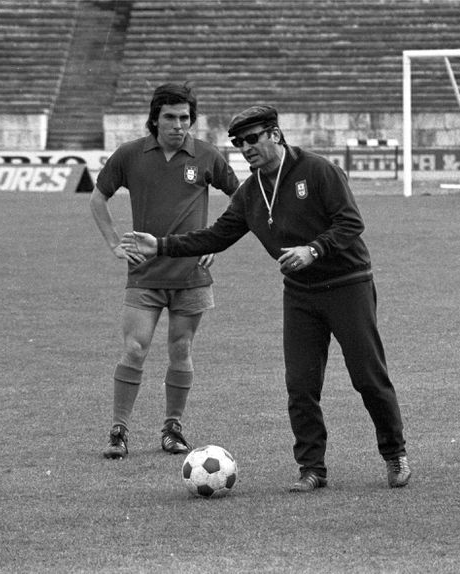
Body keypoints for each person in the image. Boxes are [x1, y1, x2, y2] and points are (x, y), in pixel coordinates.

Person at [121, 105, 412, 491]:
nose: (246, 148)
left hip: (348, 285)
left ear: (275, 134)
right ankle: (312, 469)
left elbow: (351, 222)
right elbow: (216, 236)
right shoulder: (250, 192)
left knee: (368, 378)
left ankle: (395, 455)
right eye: (240, 143)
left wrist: (313, 250)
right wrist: (160, 245)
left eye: (253, 138)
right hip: (301, 294)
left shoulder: (318, 170)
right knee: (300, 385)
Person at [91, 83, 239, 460]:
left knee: (181, 348)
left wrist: (216, 244)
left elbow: (243, 202)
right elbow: (98, 197)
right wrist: (113, 243)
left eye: (185, 118)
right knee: (135, 348)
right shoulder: (129, 155)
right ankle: (119, 431)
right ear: (155, 118)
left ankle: (173, 428)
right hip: (145, 273)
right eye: (170, 117)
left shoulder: (206, 155)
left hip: (191, 275)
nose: (178, 125)